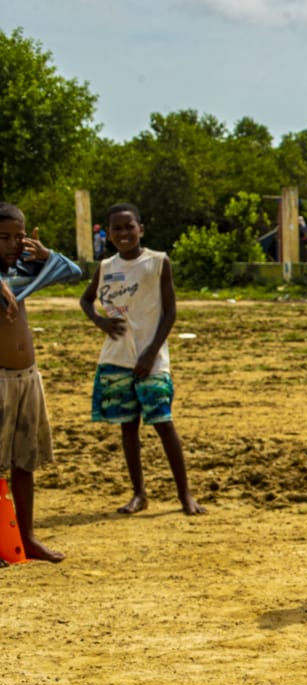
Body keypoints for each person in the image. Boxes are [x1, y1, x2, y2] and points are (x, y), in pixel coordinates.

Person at [80, 203, 205, 516]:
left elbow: (170, 311)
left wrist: (151, 352)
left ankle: (185, 495)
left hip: (152, 359)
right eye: (117, 228)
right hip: (117, 357)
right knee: (128, 426)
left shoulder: (158, 262)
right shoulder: (106, 265)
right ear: (109, 234)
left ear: (141, 229)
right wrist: (100, 322)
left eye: (129, 226)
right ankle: (139, 494)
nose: (123, 233)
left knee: (163, 422)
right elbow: (86, 299)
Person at [0, 204, 83, 563]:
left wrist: (47, 254)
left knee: (25, 460)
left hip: (27, 377)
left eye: (18, 237)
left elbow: (74, 271)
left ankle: (26, 537)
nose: (13, 244)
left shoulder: (21, 272)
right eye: (3, 237)